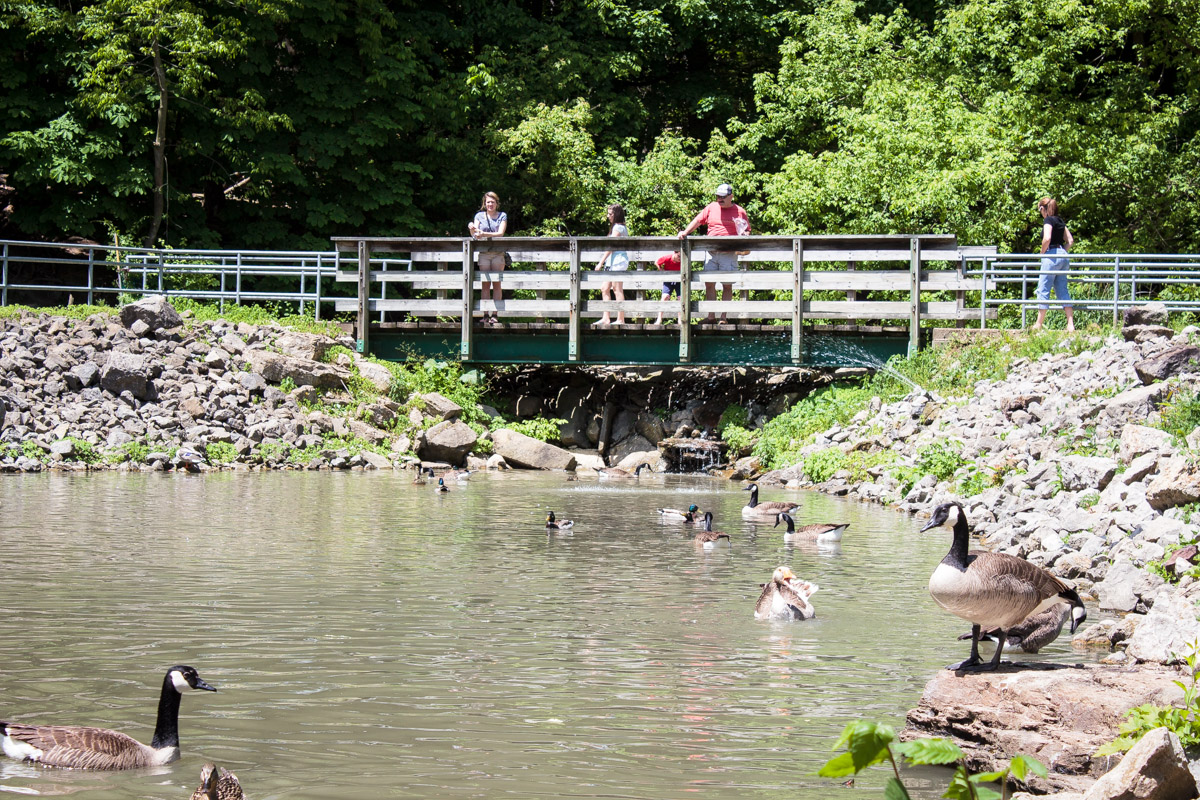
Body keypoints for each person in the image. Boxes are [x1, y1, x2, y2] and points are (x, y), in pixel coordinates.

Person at [678, 183, 750, 323]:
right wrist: (685, 232)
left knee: (727, 285)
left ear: (731, 196)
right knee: (709, 283)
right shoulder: (711, 207)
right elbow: (698, 221)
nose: (719, 199)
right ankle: (711, 316)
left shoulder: (739, 211)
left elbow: (746, 230)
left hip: (728, 253)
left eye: (723, 197)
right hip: (710, 252)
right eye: (718, 196)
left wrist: (743, 239)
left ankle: (723, 317)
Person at [1031, 197, 1075, 332]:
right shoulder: (1060, 221)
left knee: (1043, 287)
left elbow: (1047, 238)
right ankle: (1070, 324)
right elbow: (1070, 241)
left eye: (1040, 210)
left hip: (1051, 255)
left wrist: (1042, 253)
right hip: (1062, 254)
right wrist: (1062, 252)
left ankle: (1038, 324)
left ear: (1043, 209)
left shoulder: (1048, 220)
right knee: (1062, 289)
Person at [468, 191, 507, 325]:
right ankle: (485, 314)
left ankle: (495, 315)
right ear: (484, 204)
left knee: (497, 284)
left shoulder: (502, 215)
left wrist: (484, 233)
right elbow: (475, 234)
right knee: (485, 285)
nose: (490, 204)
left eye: (492, 202)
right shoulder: (479, 216)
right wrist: (472, 228)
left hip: (498, 253)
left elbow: (500, 233)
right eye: (488, 202)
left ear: (497, 203)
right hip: (484, 253)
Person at [594, 204, 629, 326]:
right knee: (604, 288)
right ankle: (606, 317)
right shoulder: (615, 228)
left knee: (617, 288)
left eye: (611, 214)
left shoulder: (619, 228)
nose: (608, 216)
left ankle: (621, 319)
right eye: (608, 213)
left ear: (617, 215)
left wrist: (600, 263)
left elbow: (611, 247)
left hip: (618, 261)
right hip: (612, 262)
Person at [654, 250, 681, 326]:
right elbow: (657, 262)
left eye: (681, 256)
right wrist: (660, 269)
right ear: (674, 253)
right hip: (668, 279)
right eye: (678, 256)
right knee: (664, 297)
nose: (680, 258)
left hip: (679, 280)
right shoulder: (667, 258)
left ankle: (680, 320)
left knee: (681, 298)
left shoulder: (683, 260)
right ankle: (659, 319)